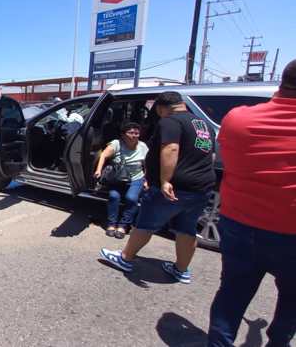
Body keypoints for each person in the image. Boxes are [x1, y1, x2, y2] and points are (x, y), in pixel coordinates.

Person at [207, 60, 296, 347]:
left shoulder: (237, 119)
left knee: (231, 295)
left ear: (281, 80)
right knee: (292, 302)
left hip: (240, 226)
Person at [100, 91, 216, 284]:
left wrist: (165, 180)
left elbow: (170, 149)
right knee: (186, 229)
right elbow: (209, 156)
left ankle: (125, 258)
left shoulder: (171, 121)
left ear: (162, 107)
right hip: (201, 187)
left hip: (174, 186)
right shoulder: (203, 125)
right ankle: (181, 269)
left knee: (145, 224)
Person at [93, 122, 148, 239]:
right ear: (123, 135)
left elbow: (146, 165)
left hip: (136, 178)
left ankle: (123, 225)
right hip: (117, 178)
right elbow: (103, 155)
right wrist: (98, 170)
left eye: (137, 133)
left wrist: (146, 180)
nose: (135, 135)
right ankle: (111, 224)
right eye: (131, 133)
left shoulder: (143, 146)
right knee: (114, 197)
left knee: (131, 198)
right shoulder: (116, 143)